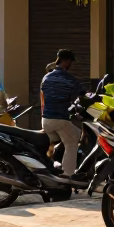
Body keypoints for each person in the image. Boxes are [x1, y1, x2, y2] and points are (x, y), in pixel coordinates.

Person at [39, 48, 83, 177]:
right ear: (66, 61)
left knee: (59, 140)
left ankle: (54, 168)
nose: (71, 65)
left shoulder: (46, 77)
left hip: (45, 120)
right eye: (70, 62)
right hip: (60, 119)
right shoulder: (70, 79)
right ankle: (68, 175)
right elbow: (82, 95)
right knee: (74, 138)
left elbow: (43, 99)